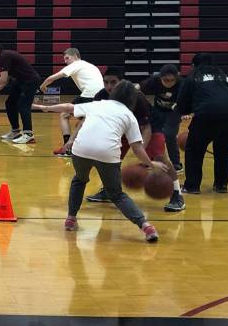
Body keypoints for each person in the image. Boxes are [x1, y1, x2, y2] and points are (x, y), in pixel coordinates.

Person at [34, 80, 169, 243]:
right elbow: (137, 148)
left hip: (81, 149)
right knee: (117, 194)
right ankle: (145, 226)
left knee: (79, 179)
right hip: (107, 153)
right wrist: (151, 164)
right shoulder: (129, 115)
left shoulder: (97, 104)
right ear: (132, 99)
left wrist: (46, 108)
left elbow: (69, 107)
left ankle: (70, 218)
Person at [84, 67, 185, 213]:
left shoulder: (137, 97)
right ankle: (109, 190)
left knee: (159, 158)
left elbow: (146, 127)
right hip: (123, 128)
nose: (109, 86)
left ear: (122, 83)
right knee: (110, 159)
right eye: (106, 82)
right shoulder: (101, 95)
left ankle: (176, 195)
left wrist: (141, 150)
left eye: (113, 82)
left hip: (150, 126)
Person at [176, 53, 228, 194]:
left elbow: (183, 106)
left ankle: (192, 186)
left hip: (209, 114)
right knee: (224, 150)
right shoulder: (223, 76)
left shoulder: (193, 76)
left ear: (193, 65)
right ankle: (221, 185)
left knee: (194, 149)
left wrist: (185, 109)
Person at [39, 48, 105, 156]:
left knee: (64, 115)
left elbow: (52, 78)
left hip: (89, 95)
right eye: (64, 59)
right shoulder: (89, 65)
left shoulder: (76, 64)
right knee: (84, 122)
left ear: (75, 56)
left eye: (67, 58)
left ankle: (67, 148)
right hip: (101, 96)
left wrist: (42, 87)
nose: (65, 61)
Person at [0, 40, 41, 144]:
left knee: (23, 105)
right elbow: (5, 81)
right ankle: (15, 131)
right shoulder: (4, 57)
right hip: (21, 81)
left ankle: (28, 134)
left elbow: (2, 79)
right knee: (10, 103)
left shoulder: (4, 56)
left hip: (30, 81)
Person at [141, 64, 184, 171]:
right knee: (152, 133)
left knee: (169, 134)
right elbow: (139, 90)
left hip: (175, 110)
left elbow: (190, 98)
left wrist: (186, 111)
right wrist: (147, 106)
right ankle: (149, 160)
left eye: (171, 80)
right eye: (165, 80)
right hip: (158, 109)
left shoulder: (182, 84)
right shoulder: (153, 81)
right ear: (160, 78)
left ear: (176, 78)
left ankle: (175, 163)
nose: (168, 83)